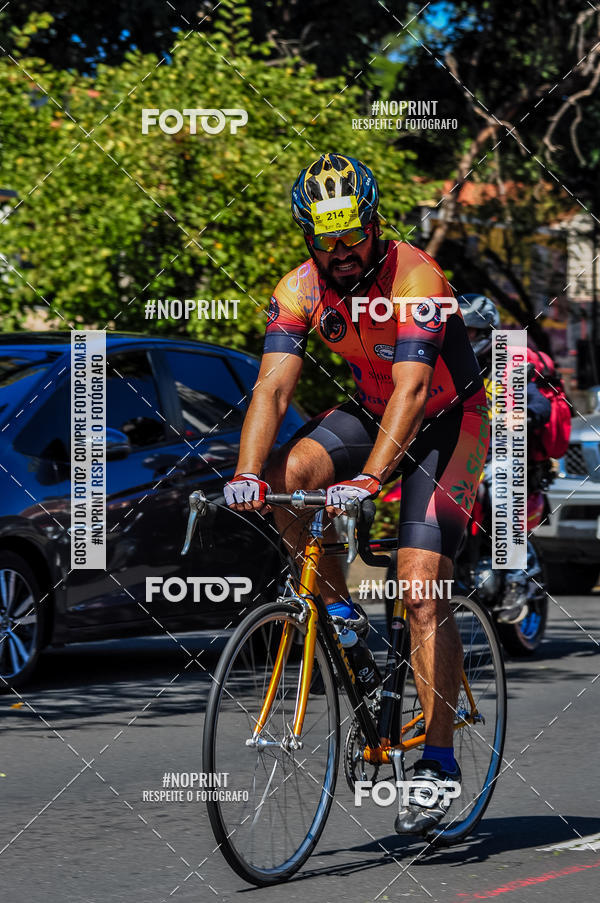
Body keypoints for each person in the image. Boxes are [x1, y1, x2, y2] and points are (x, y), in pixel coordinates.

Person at [224, 153, 489, 834]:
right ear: (307, 237)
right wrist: (248, 471)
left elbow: (411, 388)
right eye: (326, 239)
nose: (342, 253)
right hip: (370, 410)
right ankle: (341, 618)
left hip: (446, 420)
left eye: (353, 236)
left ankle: (436, 761)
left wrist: (371, 479)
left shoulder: (417, 276)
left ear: (374, 224)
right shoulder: (300, 289)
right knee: (286, 478)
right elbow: (274, 387)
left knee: (420, 583)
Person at [457, 294, 552, 622]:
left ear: (485, 333)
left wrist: (521, 416)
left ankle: (515, 578)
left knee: (500, 491)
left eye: (468, 332)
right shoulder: (448, 367)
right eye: (458, 331)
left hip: (501, 457)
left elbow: (541, 406)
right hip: (462, 456)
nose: (462, 338)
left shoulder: (507, 366)